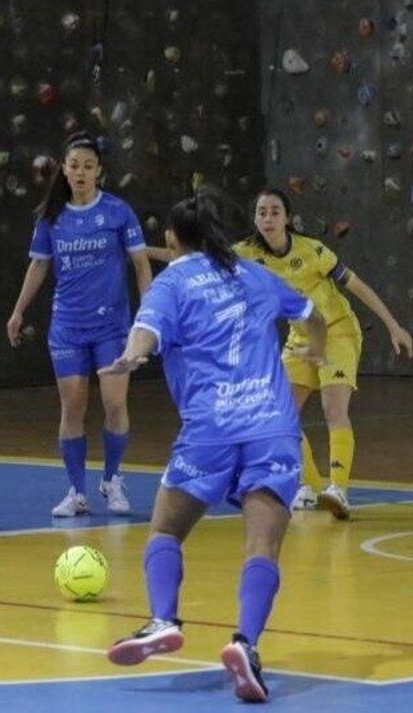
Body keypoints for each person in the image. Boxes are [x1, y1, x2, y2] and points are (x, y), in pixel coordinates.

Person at [102, 193, 328, 704]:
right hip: (273, 426)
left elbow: (146, 331)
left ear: (172, 240)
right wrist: (317, 350)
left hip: (211, 429)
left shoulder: (175, 280)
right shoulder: (253, 273)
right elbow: (314, 314)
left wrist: (130, 358)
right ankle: (245, 644)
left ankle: (164, 619)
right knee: (262, 547)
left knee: (165, 529)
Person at [236, 189, 413, 519]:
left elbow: (357, 286)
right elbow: (195, 262)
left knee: (334, 409)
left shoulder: (313, 250)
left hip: (338, 332)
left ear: (287, 218)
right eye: (262, 212)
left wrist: (393, 325)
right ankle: (309, 486)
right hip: (300, 337)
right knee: (280, 415)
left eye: (275, 211)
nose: (268, 218)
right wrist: (143, 250)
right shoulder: (245, 253)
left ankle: (339, 489)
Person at [7, 134, 152, 517]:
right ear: (64, 169)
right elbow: (38, 265)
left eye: (89, 166)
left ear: (99, 171)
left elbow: (140, 265)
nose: (81, 172)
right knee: (72, 405)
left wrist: (150, 315)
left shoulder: (119, 212)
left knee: (114, 402)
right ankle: (76, 491)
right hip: (68, 327)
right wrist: (19, 310)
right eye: (74, 165)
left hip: (113, 326)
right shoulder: (52, 218)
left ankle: (113, 479)